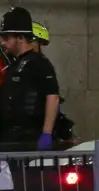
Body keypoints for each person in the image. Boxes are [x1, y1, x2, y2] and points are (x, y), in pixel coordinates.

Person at [0, 7, 60, 151]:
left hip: (29, 139)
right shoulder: (13, 65)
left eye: (7, 38)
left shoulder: (39, 63)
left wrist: (46, 133)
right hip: (9, 137)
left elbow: (53, 97)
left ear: (21, 38)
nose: (2, 42)